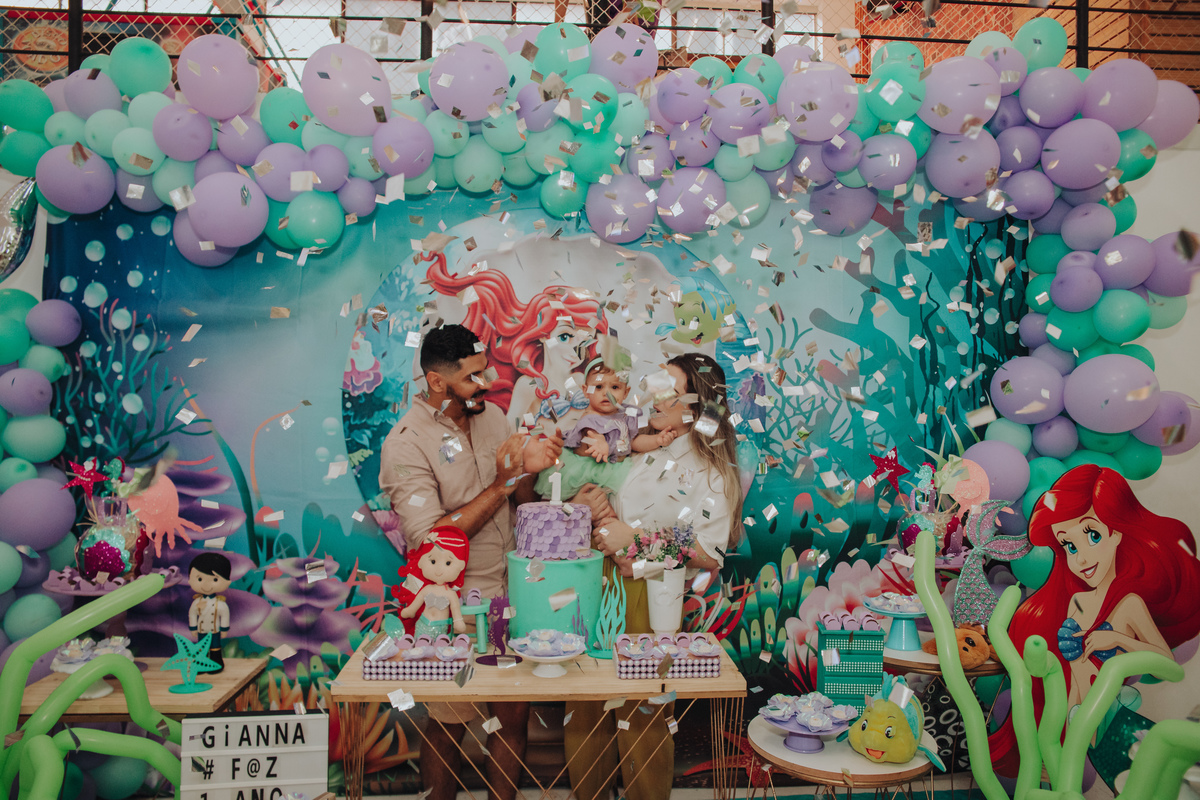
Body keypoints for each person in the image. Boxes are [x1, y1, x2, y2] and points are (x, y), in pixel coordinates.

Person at [379, 323, 563, 800]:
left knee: (512, 717)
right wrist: (504, 481)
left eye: (485, 373)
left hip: (516, 592)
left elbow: (517, 498)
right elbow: (432, 540)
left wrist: (531, 470)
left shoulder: (494, 416)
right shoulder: (405, 442)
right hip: (454, 606)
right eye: (472, 378)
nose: (486, 385)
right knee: (448, 724)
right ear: (437, 382)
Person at [564, 352, 745, 800]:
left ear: (695, 405)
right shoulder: (634, 441)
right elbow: (592, 491)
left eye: (666, 388)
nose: (650, 396)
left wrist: (637, 541)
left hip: (650, 595)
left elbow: (710, 551)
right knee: (584, 709)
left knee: (643, 712)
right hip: (597, 587)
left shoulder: (712, 469)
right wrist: (590, 507)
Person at [988, 464, 1200, 774]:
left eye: (1092, 535)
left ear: (1115, 532)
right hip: (1067, 721)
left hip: (1102, 720)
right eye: (1070, 546)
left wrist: (1117, 639)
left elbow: (1166, 663)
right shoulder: (1076, 601)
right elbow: (1070, 671)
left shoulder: (1128, 605)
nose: (1082, 558)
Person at [423, 249, 610, 428]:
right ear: (543, 336)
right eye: (564, 337)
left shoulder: (580, 380)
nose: (575, 350)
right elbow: (509, 433)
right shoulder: (529, 385)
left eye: (584, 340)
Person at [534, 360, 675, 499]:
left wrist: (657, 440)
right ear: (585, 390)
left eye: (615, 387)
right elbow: (591, 436)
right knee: (563, 501)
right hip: (583, 469)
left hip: (612, 469)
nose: (606, 393)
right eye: (599, 387)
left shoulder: (627, 414)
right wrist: (600, 443)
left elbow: (633, 443)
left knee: (605, 506)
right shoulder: (590, 417)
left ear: (625, 392)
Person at [187, 552, 232, 673]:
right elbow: (192, 614)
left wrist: (224, 629)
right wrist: (193, 628)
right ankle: (200, 665)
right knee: (201, 648)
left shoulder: (221, 604)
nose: (206, 585)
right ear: (190, 580)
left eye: (215, 579)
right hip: (201, 630)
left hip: (215, 631)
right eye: (200, 579)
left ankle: (215, 664)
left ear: (227, 582)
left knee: (215, 648)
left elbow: (224, 616)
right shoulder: (196, 603)